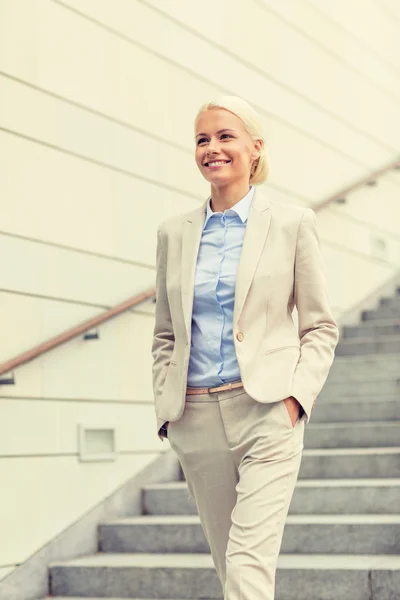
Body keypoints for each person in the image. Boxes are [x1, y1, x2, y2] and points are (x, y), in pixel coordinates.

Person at [151, 95, 339, 600]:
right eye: (202, 139)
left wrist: (296, 399)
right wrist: (167, 409)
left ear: (255, 149)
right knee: (227, 565)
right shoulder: (175, 233)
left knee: (247, 565)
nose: (212, 148)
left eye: (225, 136)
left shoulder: (292, 223)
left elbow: (320, 326)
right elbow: (166, 334)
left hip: (267, 413)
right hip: (195, 416)